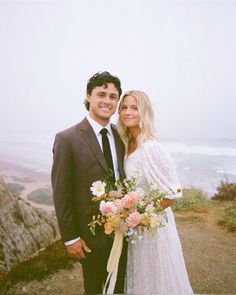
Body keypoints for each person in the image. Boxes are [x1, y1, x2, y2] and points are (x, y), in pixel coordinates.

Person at [51, 71, 127, 294]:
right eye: (101, 94)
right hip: (90, 237)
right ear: (88, 96)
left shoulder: (121, 135)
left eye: (113, 96)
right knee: (95, 289)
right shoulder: (67, 138)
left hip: (122, 231)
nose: (107, 101)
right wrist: (70, 238)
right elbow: (61, 192)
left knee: (120, 287)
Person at [117, 90, 194, 295]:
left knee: (158, 278)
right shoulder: (126, 144)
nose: (127, 112)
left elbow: (172, 194)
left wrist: (141, 215)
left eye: (134, 107)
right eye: (124, 107)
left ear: (144, 112)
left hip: (153, 225)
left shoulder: (151, 147)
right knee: (142, 277)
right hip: (136, 224)